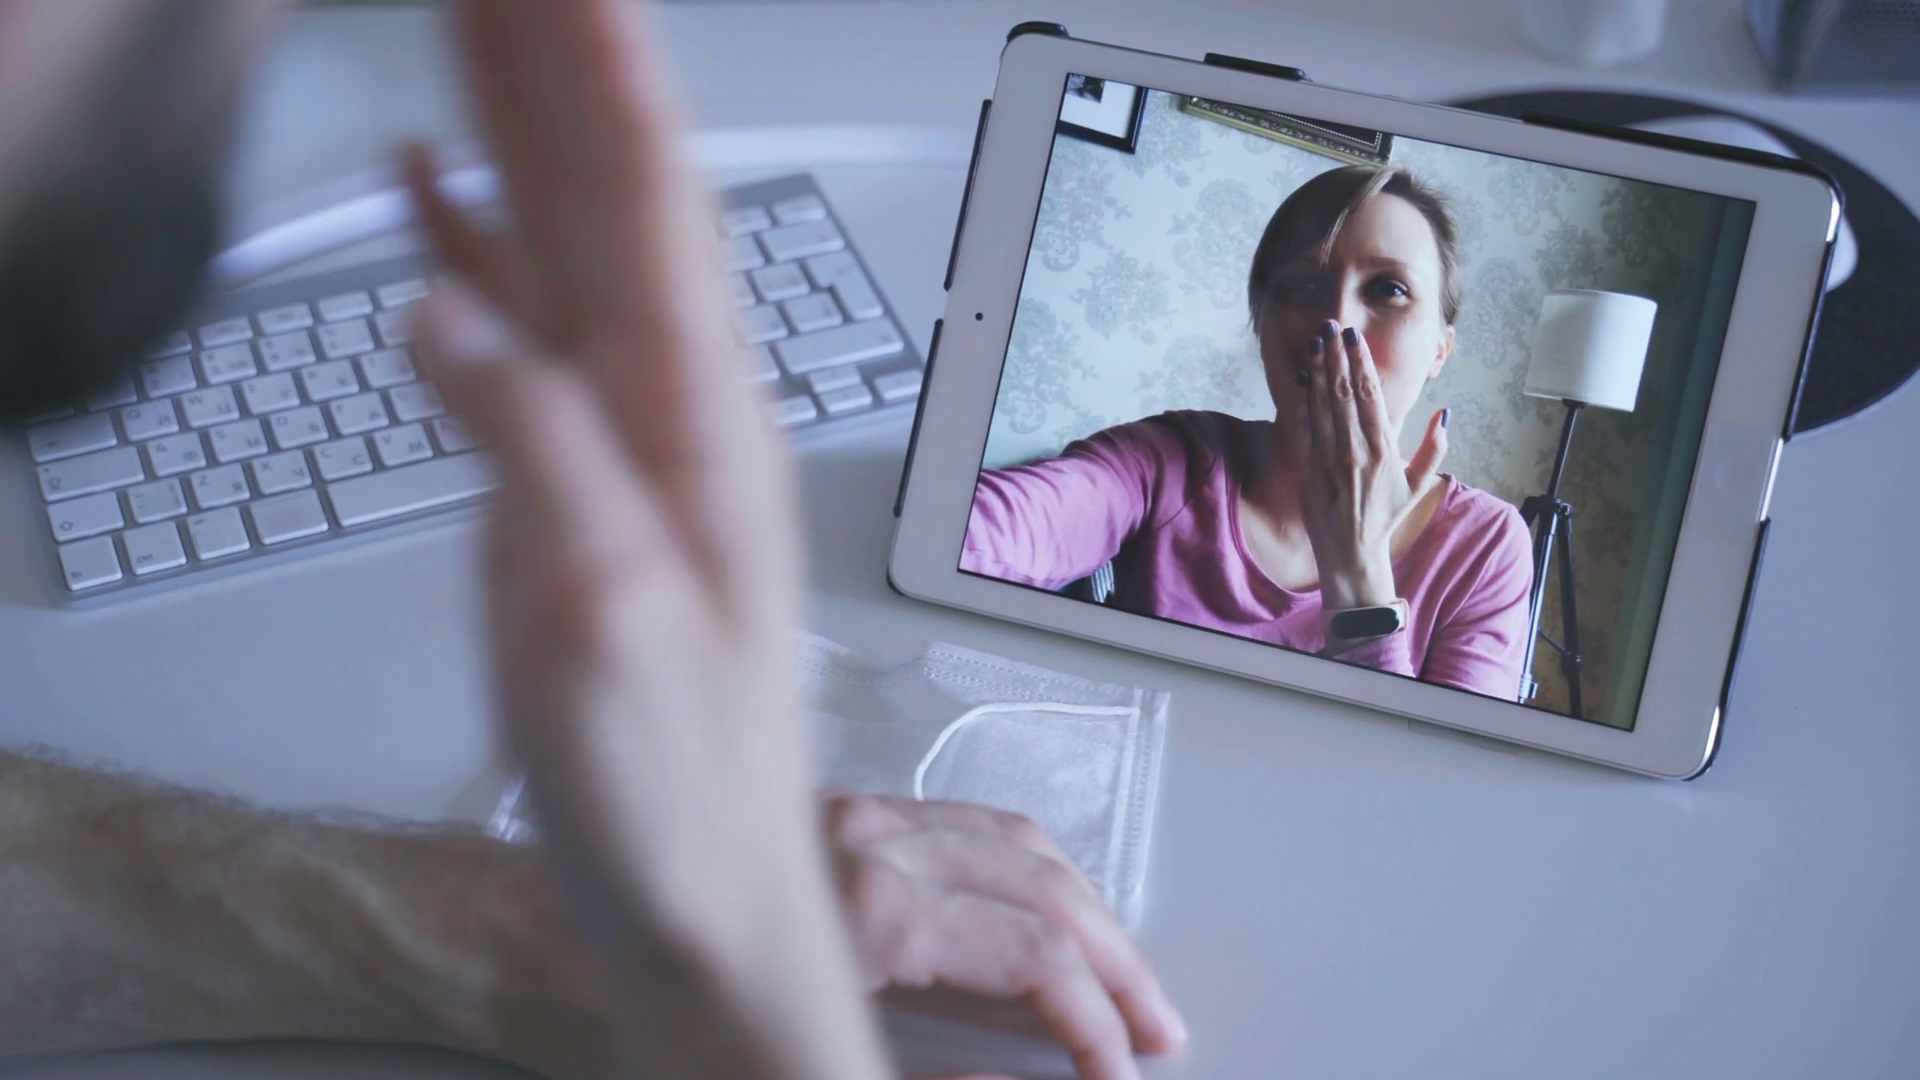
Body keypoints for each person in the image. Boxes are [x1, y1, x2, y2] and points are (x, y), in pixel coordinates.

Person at [0, 3, 1185, 1079]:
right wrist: (754, 1020)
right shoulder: (1166, 459)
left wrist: (561, 945)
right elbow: (1003, 520)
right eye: (1287, 290)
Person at [962, 165, 1535, 700]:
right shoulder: (1166, 462)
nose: (1338, 322)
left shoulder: (1483, 546)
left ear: (1440, 349)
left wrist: (1358, 573)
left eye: (1389, 289)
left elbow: (1438, 771)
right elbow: (977, 530)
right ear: (1261, 323)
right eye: (1302, 287)